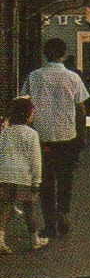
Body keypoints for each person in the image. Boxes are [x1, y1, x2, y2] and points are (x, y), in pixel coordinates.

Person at [19, 38, 89, 239]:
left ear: (45, 53)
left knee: (46, 181)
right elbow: (81, 108)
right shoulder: (73, 77)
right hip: (67, 136)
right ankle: (63, 212)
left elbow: (24, 104)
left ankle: (49, 224)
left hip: (41, 137)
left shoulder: (34, 77)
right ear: (63, 54)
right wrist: (82, 134)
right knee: (66, 178)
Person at [0, 98, 48, 253]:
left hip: (5, 175)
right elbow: (36, 160)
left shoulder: (5, 132)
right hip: (24, 177)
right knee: (30, 209)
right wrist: (37, 181)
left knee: (5, 207)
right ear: (27, 115)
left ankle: (0, 238)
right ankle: (35, 239)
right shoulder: (32, 134)